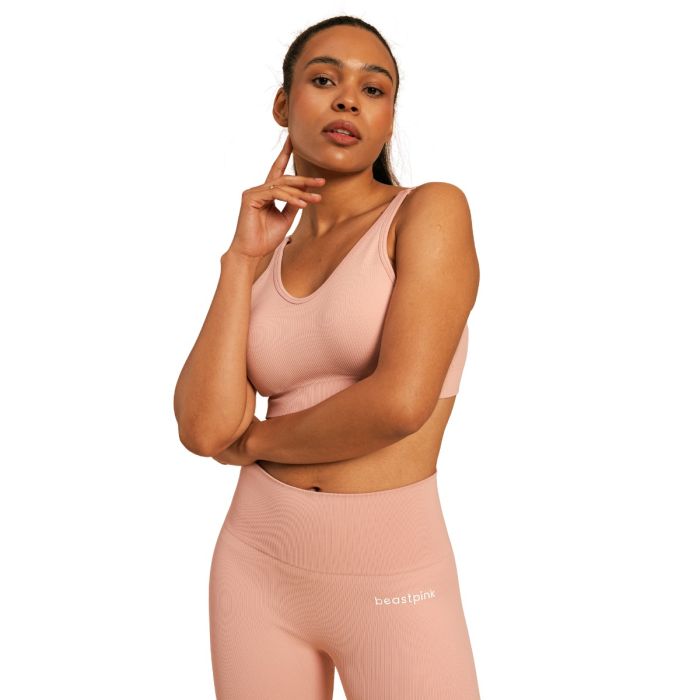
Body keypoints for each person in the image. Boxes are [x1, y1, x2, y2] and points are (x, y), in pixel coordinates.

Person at [174, 14, 481, 700]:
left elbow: (400, 404)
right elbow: (203, 428)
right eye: (323, 81)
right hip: (255, 567)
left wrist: (257, 442)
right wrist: (239, 260)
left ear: (390, 119)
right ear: (283, 105)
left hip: (394, 572)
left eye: (373, 89)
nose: (348, 100)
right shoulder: (265, 253)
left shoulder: (429, 212)